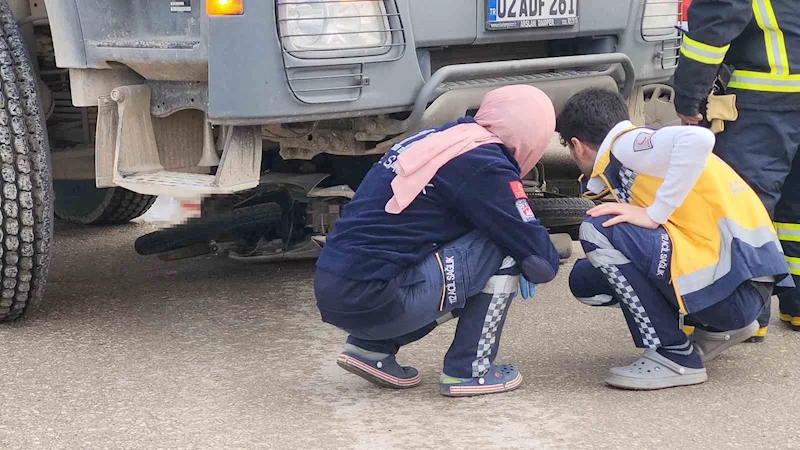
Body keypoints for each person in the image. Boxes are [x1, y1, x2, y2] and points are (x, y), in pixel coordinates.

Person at [314, 85, 560, 397]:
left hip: (337, 290)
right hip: (377, 298)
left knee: (460, 235)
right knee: (506, 248)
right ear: (530, 135)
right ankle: (470, 370)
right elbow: (541, 263)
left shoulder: (442, 139)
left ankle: (372, 348)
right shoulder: (486, 164)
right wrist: (534, 253)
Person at [558, 88, 792, 390]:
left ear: (576, 145)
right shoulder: (641, 153)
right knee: (586, 278)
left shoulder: (626, 145)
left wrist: (654, 214)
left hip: (732, 293)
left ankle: (674, 355)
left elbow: (699, 138)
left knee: (597, 228)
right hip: (744, 288)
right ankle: (716, 330)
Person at [672, 0, 800, 340]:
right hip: (783, 89)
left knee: (745, 203)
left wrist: (688, 94)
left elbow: (719, 17)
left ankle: (743, 313)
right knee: (795, 208)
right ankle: (796, 301)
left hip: (765, 95)